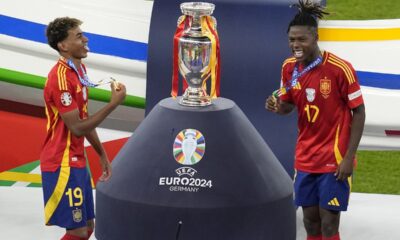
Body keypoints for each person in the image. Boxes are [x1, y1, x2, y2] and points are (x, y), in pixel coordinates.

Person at [265, 1, 365, 240]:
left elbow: (359, 112)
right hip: (306, 157)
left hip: (334, 158)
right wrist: (278, 107)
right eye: (291, 40)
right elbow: (289, 105)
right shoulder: (289, 68)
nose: (295, 45)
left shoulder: (340, 69)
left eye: (301, 39)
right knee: (310, 222)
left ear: (316, 37)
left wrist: (349, 157)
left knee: (329, 222)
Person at [40, 17, 126, 240]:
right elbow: (77, 128)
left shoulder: (79, 70)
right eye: (78, 36)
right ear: (63, 45)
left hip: (77, 160)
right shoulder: (59, 79)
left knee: (87, 228)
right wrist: (113, 104)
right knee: (77, 231)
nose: (85, 38)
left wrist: (102, 155)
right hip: (62, 162)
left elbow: (84, 119)